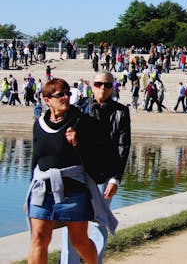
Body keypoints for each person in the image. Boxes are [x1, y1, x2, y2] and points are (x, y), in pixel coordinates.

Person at [26, 78, 117, 264]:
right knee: (39, 238)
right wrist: (32, 183)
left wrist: (79, 142)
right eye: (60, 95)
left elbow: (100, 154)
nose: (66, 97)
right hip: (43, 190)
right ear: (47, 100)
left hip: (74, 192)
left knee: (79, 241)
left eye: (68, 93)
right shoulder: (39, 124)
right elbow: (36, 158)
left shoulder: (82, 122)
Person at [61, 72, 131, 264]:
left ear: (112, 87)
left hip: (107, 172)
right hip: (80, 172)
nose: (102, 88)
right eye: (98, 84)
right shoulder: (79, 108)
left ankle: (95, 261)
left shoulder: (121, 112)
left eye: (107, 85)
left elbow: (123, 146)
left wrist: (116, 178)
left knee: (100, 221)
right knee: (73, 221)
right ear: (91, 85)